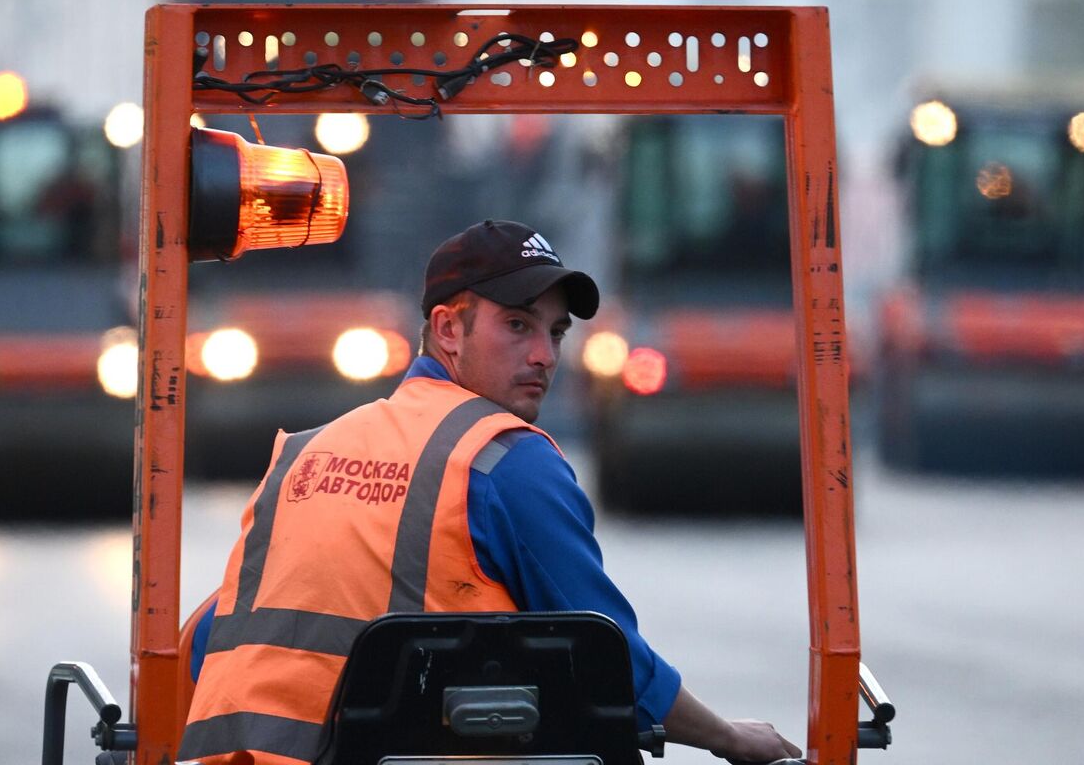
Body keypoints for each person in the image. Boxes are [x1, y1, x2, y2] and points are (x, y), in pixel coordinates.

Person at [180, 220, 802, 765]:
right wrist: (725, 737)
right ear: (448, 329)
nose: (545, 356)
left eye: (555, 333)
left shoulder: (302, 454)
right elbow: (608, 659)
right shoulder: (505, 460)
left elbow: (212, 632)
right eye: (516, 325)